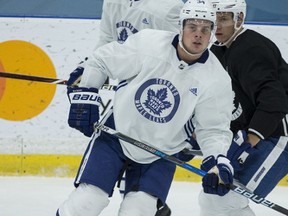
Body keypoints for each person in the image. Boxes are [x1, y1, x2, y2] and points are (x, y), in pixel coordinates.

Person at [56, 0, 235, 215]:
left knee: (138, 210)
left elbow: (214, 129)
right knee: (86, 202)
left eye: (205, 29)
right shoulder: (149, 43)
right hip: (117, 134)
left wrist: (218, 160)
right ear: (180, 27)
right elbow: (102, 60)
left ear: (212, 33)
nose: (198, 34)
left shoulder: (217, 80)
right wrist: (86, 94)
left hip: (161, 152)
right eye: (192, 27)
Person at [66, 0, 184, 215]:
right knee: (86, 200)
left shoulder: (169, 8)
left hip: (160, 119)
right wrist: (88, 75)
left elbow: (185, 64)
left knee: (139, 207)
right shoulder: (113, 2)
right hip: (122, 109)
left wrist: (188, 122)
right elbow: (107, 42)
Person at [198, 0, 288, 215]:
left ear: (239, 19)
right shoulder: (218, 51)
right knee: (213, 196)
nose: (217, 26)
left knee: (228, 198)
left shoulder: (251, 49)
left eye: (224, 19)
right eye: (214, 19)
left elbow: (274, 101)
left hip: (279, 135)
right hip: (255, 134)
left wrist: (248, 143)